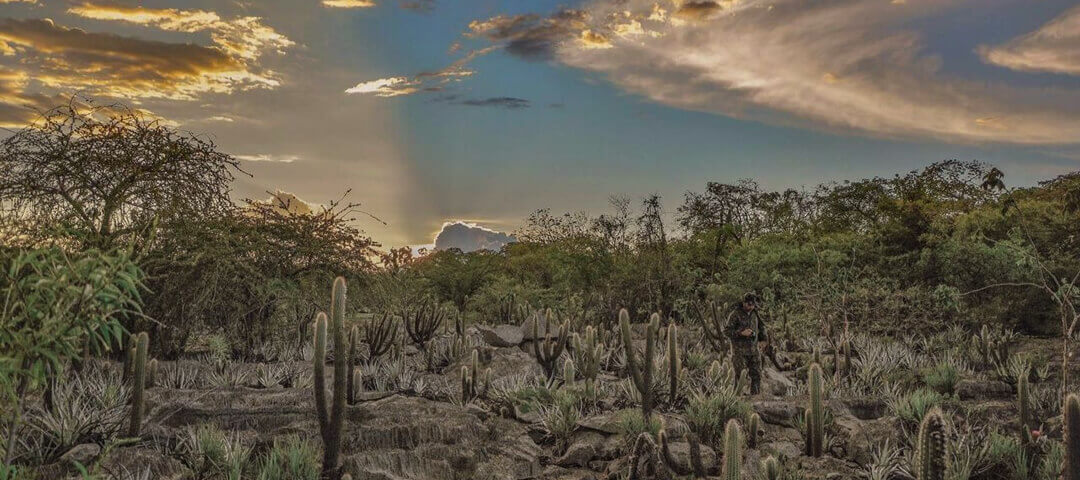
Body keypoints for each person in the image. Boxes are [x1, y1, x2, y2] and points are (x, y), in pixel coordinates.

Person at [726, 292, 767, 395]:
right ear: (744, 303)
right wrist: (741, 333)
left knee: (757, 374)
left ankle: (755, 399)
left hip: (754, 350)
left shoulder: (754, 313)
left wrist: (763, 339)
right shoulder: (735, 314)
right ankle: (737, 400)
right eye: (749, 304)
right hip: (739, 352)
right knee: (740, 377)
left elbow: (762, 326)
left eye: (753, 305)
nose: (751, 306)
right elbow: (727, 331)